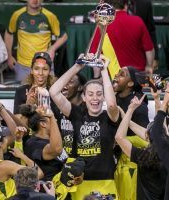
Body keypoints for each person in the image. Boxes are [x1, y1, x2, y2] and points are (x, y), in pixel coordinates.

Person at [50, 54, 120, 199]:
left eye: (99, 94)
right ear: (84, 97)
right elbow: (53, 92)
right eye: (91, 94)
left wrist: (104, 71)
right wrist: (77, 66)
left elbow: (112, 104)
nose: (95, 98)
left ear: (103, 97)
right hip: (79, 182)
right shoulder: (76, 114)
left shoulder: (110, 117)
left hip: (106, 182)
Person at [115, 95, 166, 200]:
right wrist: (157, 99)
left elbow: (119, 137)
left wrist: (130, 110)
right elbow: (161, 127)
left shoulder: (144, 157)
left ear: (147, 137)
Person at [4, 0, 67, 82]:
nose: (35, 0)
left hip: (44, 64)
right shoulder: (17, 15)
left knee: (47, 92)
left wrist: (52, 48)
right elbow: (9, 33)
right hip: (23, 66)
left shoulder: (49, 16)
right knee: (24, 93)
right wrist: (9, 56)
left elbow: (64, 36)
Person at [90, 0, 154, 79]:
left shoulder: (102, 25)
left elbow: (95, 55)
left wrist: (97, 77)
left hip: (115, 79)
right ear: (126, 6)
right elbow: (149, 49)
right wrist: (149, 67)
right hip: (137, 76)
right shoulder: (138, 21)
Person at [0, 124, 40, 200]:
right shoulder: (3, 166)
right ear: (1, 144)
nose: (7, 138)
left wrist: (18, 141)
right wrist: (23, 156)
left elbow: (19, 169)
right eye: (5, 136)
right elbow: (38, 173)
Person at [112, 66, 149, 200]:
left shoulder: (139, 106)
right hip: (115, 161)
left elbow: (145, 139)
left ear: (130, 83)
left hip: (130, 163)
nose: (116, 76)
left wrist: (119, 142)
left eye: (122, 74)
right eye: (117, 73)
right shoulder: (113, 97)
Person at [24, 106, 66, 181]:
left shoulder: (52, 139)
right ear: (43, 124)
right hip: (45, 190)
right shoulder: (33, 144)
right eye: (51, 120)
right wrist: (52, 117)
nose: (55, 121)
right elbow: (57, 150)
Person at [127, 0, 158, 69]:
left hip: (140, 55)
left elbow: (151, 31)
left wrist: (155, 57)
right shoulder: (113, 3)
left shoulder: (145, 3)